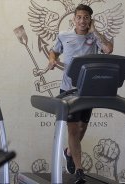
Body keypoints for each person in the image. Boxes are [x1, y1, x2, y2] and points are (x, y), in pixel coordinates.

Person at [48, 4, 113, 184]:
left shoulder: (95, 36)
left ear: (90, 20)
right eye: (79, 17)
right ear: (73, 19)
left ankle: (69, 152)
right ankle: (79, 170)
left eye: (86, 17)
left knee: (82, 127)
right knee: (73, 129)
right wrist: (52, 59)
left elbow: (108, 49)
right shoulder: (63, 35)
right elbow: (54, 50)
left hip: (88, 90)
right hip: (68, 89)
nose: (82, 21)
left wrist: (96, 31)